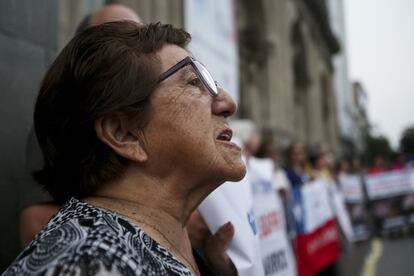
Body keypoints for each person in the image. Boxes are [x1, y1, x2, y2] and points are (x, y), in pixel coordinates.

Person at [5, 21, 245, 275]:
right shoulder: (85, 265)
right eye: (194, 82)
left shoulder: (179, 249)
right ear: (125, 134)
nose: (228, 103)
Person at [19, 4, 142, 247]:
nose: (134, 51)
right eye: (116, 38)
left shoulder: (159, 114)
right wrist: (157, 228)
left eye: (139, 37)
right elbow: (33, 223)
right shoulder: (60, 122)